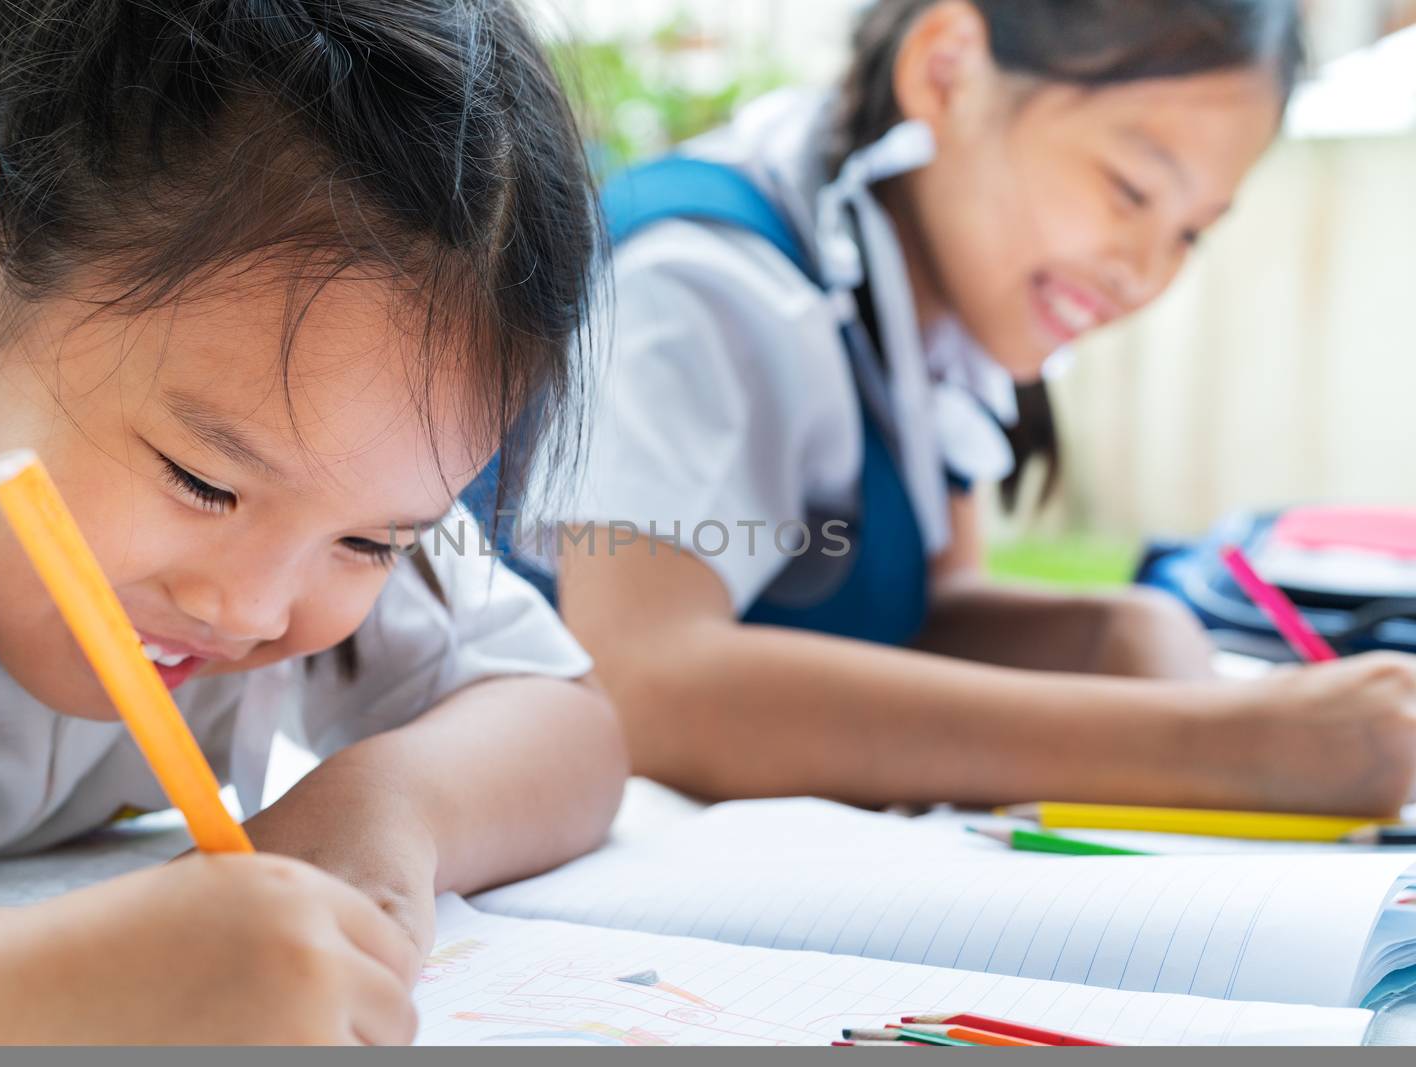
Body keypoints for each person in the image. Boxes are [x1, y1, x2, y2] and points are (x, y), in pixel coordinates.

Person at [0, 0, 626, 1045]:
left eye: (377, 542)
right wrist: (49, 978)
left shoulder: (318, 476)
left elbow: (568, 721)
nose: (250, 608)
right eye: (202, 481)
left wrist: (384, 808)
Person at [532, 0, 1416, 814]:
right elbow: (642, 686)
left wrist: (1125, 631)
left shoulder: (933, 303)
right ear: (947, 70)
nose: (1146, 271)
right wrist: (1217, 748)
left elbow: (929, 613)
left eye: (1190, 231)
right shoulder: (701, 283)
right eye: (1131, 190)